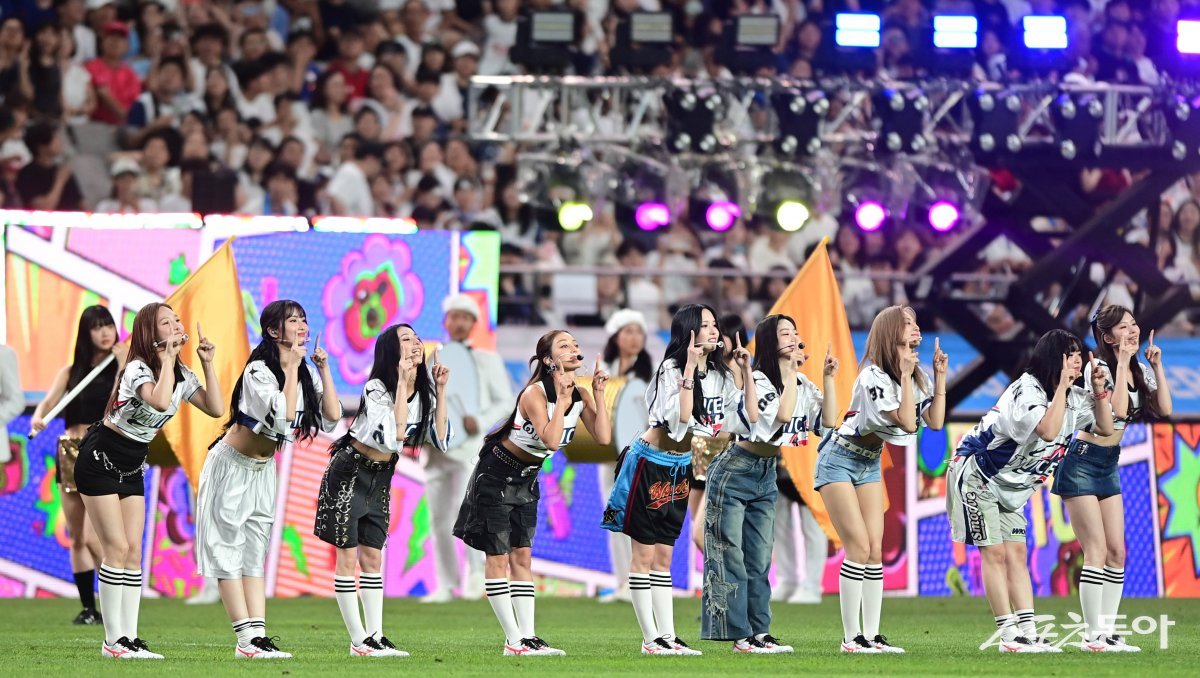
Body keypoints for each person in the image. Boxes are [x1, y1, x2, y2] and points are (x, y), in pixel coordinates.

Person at [602, 303, 759, 657]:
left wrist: (747, 372)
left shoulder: (720, 374)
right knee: (643, 556)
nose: (715, 331)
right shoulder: (671, 369)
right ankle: (650, 640)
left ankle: (667, 636)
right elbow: (681, 419)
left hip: (680, 465)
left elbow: (750, 415)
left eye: (715, 325)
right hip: (649, 462)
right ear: (689, 331)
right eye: (706, 325)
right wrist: (689, 366)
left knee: (664, 557)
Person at [74, 303, 224, 659]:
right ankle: (113, 641)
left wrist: (207, 363)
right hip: (99, 460)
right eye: (165, 322)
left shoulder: (181, 372)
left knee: (133, 552)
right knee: (116, 549)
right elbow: (158, 401)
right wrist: (168, 360)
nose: (176, 325)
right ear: (149, 332)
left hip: (131, 466)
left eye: (177, 320)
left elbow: (216, 408)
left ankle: (129, 637)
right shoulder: (137, 368)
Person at [950, 329, 1113, 653]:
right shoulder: (1026, 392)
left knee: (1018, 555)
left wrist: (1098, 392)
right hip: (979, 476)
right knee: (995, 554)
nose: (1078, 359)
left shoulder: (1074, 396)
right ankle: (1009, 636)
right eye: (1070, 353)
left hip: (1012, 488)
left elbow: (1106, 428)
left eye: (1079, 353)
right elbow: (1048, 430)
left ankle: (1028, 633)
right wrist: (1063, 388)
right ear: (1054, 358)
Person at [194, 300, 342, 660]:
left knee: (253, 554)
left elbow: (333, 416)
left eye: (304, 320)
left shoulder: (304, 372)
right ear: (274, 331)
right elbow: (285, 415)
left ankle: (258, 637)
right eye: (293, 321)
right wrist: (290, 368)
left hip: (262, 470)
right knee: (227, 552)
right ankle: (245, 638)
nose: (302, 326)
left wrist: (322, 368)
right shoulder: (258, 372)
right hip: (231, 467)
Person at [454, 330, 611, 656]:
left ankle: (528, 637)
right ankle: (513, 640)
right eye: (564, 345)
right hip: (496, 475)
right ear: (548, 360)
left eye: (575, 344)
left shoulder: (580, 394)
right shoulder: (534, 394)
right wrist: (563, 402)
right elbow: (551, 440)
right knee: (498, 557)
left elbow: (604, 438)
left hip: (527, 478)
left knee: (522, 556)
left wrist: (598, 393)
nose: (574, 349)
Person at [702, 314, 839, 653]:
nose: (793, 337)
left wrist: (828, 378)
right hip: (735, 469)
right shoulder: (759, 379)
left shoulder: (802, 382)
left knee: (760, 559)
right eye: (785, 333)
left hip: (765, 472)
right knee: (730, 554)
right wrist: (791, 373)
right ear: (769, 341)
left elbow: (828, 421)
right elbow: (782, 415)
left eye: (795, 332)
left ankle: (760, 633)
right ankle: (740, 636)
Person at [315, 324, 450, 657]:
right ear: (391, 350)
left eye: (417, 338)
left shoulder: (425, 391)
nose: (415, 343)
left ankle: (375, 636)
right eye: (406, 339)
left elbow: (440, 438)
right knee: (348, 557)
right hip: (350, 472)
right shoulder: (376, 388)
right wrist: (402, 382)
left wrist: (441, 389)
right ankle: (359, 641)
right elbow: (395, 436)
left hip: (381, 476)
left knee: (373, 556)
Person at [818, 305, 947, 654]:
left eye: (916, 323)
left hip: (869, 461)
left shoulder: (914, 373)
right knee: (859, 547)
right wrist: (906, 376)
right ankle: (851, 639)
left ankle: (872, 637)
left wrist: (939, 376)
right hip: (839, 459)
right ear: (891, 332)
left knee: (874, 549)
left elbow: (935, 422)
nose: (916, 328)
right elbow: (907, 421)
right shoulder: (872, 377)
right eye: (908, 323)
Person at [1053, 306, 1171, 651]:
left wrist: (1156, 365)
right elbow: (1117, 410)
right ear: (1107, 337)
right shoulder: (1101, 369)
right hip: (1081, 462)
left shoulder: (1139, 370)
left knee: (1117, 552)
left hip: (1108, 464)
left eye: (1134, 324)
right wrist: (1122, 363)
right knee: (1096, 550)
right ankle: (1092, 636)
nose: (1132, 331)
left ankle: (1106, 632)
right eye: (1123, 327)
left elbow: (1165, 409)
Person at [30, 306, 125, 625]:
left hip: (100, 451)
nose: (105, 332)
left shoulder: (121, 369)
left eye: (108, 325)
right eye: (97, 327)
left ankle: (117, 603)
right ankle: (89, 609)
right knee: (78, 536)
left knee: (98, 538)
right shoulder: (71, 372)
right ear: (86, 334)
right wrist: (38, 416)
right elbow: (48, 402)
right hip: (70, 450)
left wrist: (122, 365)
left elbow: (121, 404)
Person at [421, 294, 510, 603]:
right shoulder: (430, 359)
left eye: (465, 318)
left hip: (469, 448)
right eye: (454, 317)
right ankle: (445, 583)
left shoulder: (488, 360)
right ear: (445, 321)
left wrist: (480, 420)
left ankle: (476, 577)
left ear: (473, 323)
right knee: (438, 519)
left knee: (469, 512)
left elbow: (505, 400)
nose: (459, 323)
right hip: (435, 450)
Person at [597, 308, 652, 603]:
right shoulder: (603, 372)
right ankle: (622, 583)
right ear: (615, 337)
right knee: (613, 517)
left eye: (638, 332)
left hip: (640, 459)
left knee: (637, 521)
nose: (634, 338)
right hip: (607, 459)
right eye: (628, 331)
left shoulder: (649, 376)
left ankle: (641, 581)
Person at [688, 315, 746, 557]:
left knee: (702, 534)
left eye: (722, 333)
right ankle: (722, 575)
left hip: (724, 457)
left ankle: (732, 573)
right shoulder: (707, 367)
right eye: (711, 330)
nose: (715, 336)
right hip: (698, 455)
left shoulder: (737, 369)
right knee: (702, 532)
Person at [772, 459, 828, 604]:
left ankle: (812, 586)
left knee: (813, 527)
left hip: (809, 463)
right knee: (778, 525)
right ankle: (787, 581)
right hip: (777, 465)